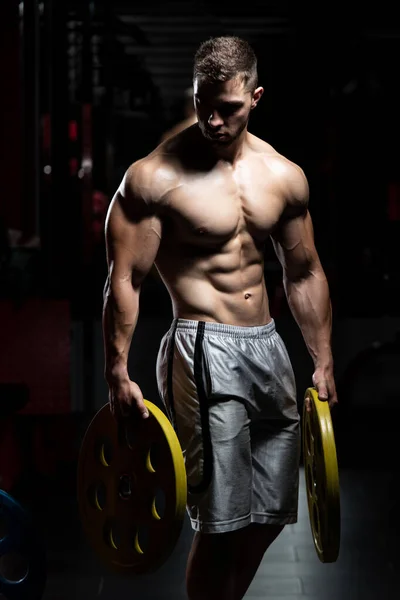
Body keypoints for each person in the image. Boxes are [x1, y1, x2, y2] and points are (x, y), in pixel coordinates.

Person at [103, 35, 338, 600]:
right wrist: (118, 369)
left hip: (269, 348)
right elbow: (125, 279)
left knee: (272, 511)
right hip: (203, 346)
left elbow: (302, 272)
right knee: (223, 519)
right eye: (202, 103)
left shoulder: (283, 176)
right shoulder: (155, 178)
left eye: (227, 107)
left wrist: (323, 359)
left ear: (255, 97)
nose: (211, 119)